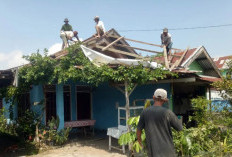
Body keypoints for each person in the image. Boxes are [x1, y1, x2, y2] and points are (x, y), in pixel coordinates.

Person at [137, 88, 183, 157]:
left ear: (153, 97)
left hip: (153, 152)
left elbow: (139, 129)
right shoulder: (168, 113)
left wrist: (139, 141)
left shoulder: (145, 112)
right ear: (164, 100)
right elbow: (180, 128)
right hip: (168, 151)